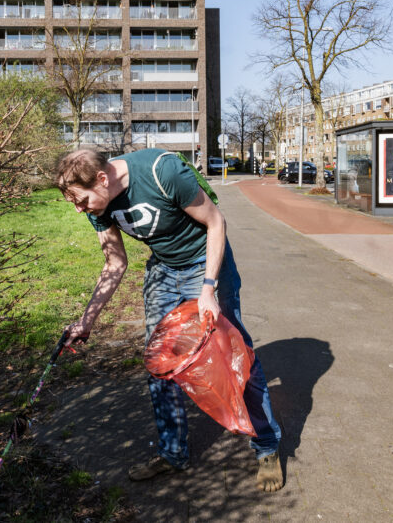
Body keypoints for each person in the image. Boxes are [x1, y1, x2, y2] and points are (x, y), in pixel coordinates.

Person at [55, 148, 283, 492]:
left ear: (102, 179)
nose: (79, 208)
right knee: (160, 364)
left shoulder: (162, 172)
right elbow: (115, 264)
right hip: (163, 271)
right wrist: (87, 321)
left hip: (204, 262)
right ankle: (172, 453)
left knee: (235, 354)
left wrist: (208, 289)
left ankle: (267, 446)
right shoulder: (97, 205)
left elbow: (216, 222)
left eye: (81, 199)